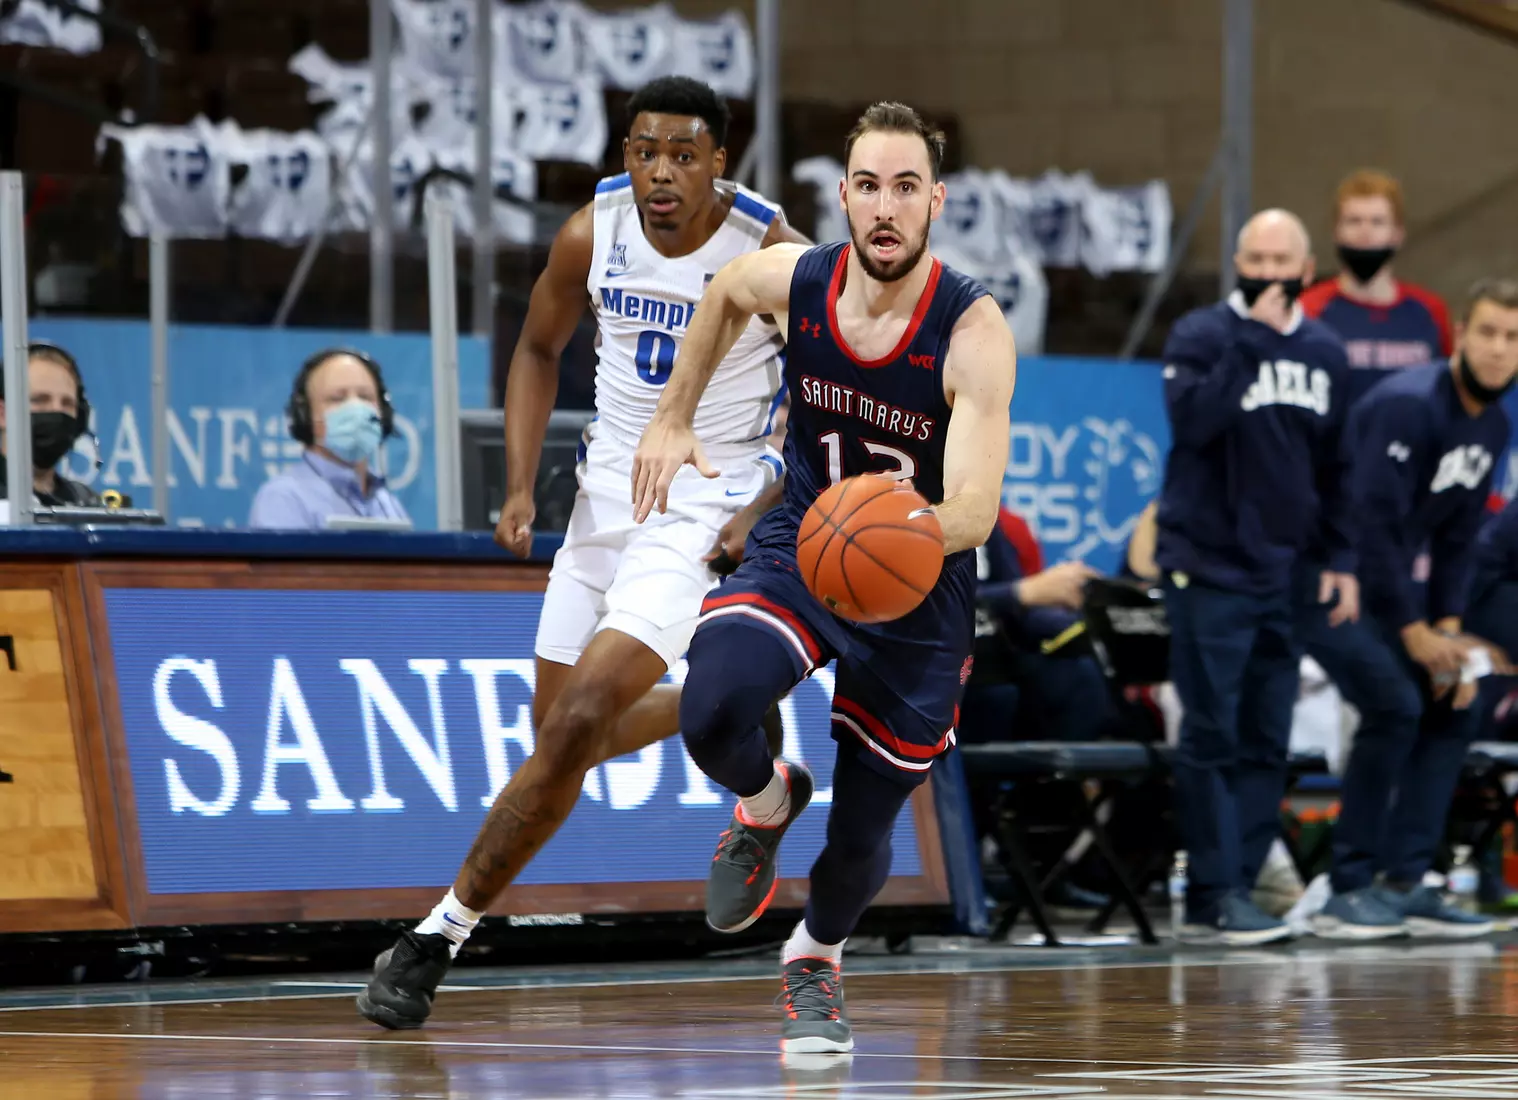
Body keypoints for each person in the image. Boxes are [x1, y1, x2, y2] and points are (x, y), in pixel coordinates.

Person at [357, 77, 806, 1030]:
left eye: (683, 154)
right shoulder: (588, 233)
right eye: (645, 150)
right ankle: (755, 763)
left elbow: (821, 392)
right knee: (562, 737)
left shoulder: (769, 248)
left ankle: (435, 936)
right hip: (603, 501)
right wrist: (520, 485)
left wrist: (763, 494)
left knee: (576, 729)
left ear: (719, 162)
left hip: (701, 509)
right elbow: (535, 349)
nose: (660, 172)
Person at [633, 101, 1016, 1053]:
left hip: (917, 582)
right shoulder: (800, 280)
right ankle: (767, 799)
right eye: (869, 187)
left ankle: (816, 953)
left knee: (862, 833)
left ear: (937, 200)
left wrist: (905, 520)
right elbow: (722, 289)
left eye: (906, 187)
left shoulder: (971, 328)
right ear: (843, 196)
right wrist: (674, 415)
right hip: (809, 540)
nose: (886, 208)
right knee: (712, 705)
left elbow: (976, 507)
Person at [1156, 208, 1354, 946]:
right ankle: (1213, 894)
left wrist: (1338, 558)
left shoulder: (1328, 353)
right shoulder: (1203, 336)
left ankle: (1244, 884)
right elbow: (1195, 424)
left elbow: (1336, 466)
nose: (1268, 274)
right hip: (1209, 569)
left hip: (1288, 574)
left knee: (1268, 737)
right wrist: (1252, 342)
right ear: (1237, 262)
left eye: (1282, 262)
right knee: (1211, 732)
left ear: (1306, 270)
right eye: (1256, 259)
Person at [1303, 278, 1518, 940]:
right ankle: (1346, 887)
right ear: (1459, 331)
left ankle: (1406, 880)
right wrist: (1415, 631)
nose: (1498, 349)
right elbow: (1371, 529)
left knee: (1456, 699)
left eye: (1513, 339)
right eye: (1486, 332)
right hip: (1318, 578)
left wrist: (1449, 632)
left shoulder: (1494, 422)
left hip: (1388, 590)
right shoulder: (1409, 405)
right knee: (1395, 704)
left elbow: (1457, 539)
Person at [1300, 170, 1453, 403]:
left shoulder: (1430, 310)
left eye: (1377, 222)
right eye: (1354, 221)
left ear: (1398, 233)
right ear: (1336, 231)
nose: (1365, 232)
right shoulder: (1309, 309)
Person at [247, 349, 410, 529]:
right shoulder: (283, 499)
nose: (355, 407)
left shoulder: (386, 503)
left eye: (365, 397)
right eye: (337, 399)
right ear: (305, 416)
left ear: (383, 413)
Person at [0, 341, 101, 513]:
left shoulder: (87, 504)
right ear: (3, 414)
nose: (56, 411)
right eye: (40, 400)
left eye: (67, 403)